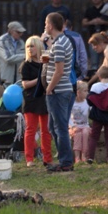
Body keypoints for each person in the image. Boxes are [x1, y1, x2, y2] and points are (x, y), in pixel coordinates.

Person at [44, 12, 75, 172]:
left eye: (45, 24)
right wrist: (48, 47)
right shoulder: (60, 41)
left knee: (60, 128)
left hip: (58, 91)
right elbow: (51, 61)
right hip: (60, 91)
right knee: (53, 127)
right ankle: (65, 157)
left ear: (50, 25)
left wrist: (49, 88)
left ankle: (66, 162)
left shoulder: (60, 44)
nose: (44, 27)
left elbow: (59, 71)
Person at [20, 35, 52, 167]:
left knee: (46, 130)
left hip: (44, 99)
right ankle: (29, 159)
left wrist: (47, 41)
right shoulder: (25, 65)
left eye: (32, 46)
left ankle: (47, 158)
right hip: (31, 99)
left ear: (38, 47)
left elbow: (50, 54)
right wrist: (40, 79)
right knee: (30, 129)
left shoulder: (44, 60)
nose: (29, 49)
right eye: (27, 46)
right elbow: (25, 84)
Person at [82, 0, 108, 72]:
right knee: (94, 63)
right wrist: (92, 22)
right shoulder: (89, 10)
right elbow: (83, 22)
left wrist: (103, 22)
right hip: (94, 38)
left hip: (106, 37)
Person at [0, 21, 26, 86]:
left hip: (14, 79)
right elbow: (8, 58)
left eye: (21, 32)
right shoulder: (2, 40)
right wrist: (26, 55)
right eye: (18, 32)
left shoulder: (21, 42)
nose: (20, 34)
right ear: (11, 31)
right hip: (0, 79)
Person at [70, 81, 91, 164]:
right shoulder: (71, 103)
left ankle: (84, 155)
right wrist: (72, 126)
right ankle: (77, 157)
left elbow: (92, 112)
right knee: (77, 134)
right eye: (85, 91)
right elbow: (68, 116)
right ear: (78, 92)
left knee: (85, 133)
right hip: (74, 126)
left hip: (85, 125)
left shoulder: (87, 103)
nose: (87, 93)